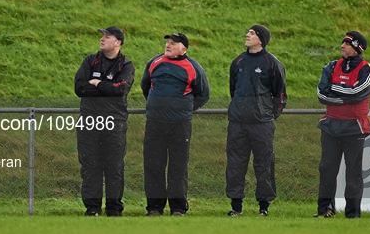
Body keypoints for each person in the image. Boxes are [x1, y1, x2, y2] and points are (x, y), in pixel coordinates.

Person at [141, 32, 210, 216]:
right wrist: (157, 105)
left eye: (174, 43)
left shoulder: (193, 67)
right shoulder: (155, 62)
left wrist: (184, 109)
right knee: (153, 164)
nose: (168, 45)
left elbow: (203, 94)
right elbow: (145, 86)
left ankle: (178, 207)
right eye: (168, 42)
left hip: (180, 124)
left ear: (184, 48)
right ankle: (154, 207)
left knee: (178, 166)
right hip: (155, 123)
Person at [225, 25, 287, 217]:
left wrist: (268, 115)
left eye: (252, 33)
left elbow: (280, 94)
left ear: (261, 39)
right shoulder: (238, 62)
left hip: (262, 124)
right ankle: (236, 206)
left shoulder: (272, 63)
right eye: (248, 33)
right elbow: (233, 90)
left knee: (264, 163)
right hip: (238, 123)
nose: (247, 35)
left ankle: (264, 206)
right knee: (235, 163)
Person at [74, 26, 135, 217]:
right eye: (102, 36)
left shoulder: (126, 65)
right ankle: (92, 208)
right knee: (90, 165)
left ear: (118, 42)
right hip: (89, 121)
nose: (102, 39)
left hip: (114, 122)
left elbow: (120, 89)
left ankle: (113, 208)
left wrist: (98, 83)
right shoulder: (90, 61)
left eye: (107, 37)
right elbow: (80, 87)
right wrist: (106, 88)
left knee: (114, 166)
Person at [315, 31, 370, 218]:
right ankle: (325, 210)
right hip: (330, 126)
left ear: (357, 48)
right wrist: (345, 95)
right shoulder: (331, 66)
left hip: (354, 128)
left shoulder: (367, 69)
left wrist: (337, 92)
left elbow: (358, 92)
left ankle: (352, 214)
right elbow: (322, 94)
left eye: (347, 44)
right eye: (342, 43)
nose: (342, 46)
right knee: (327, 169)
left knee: (353, 172)